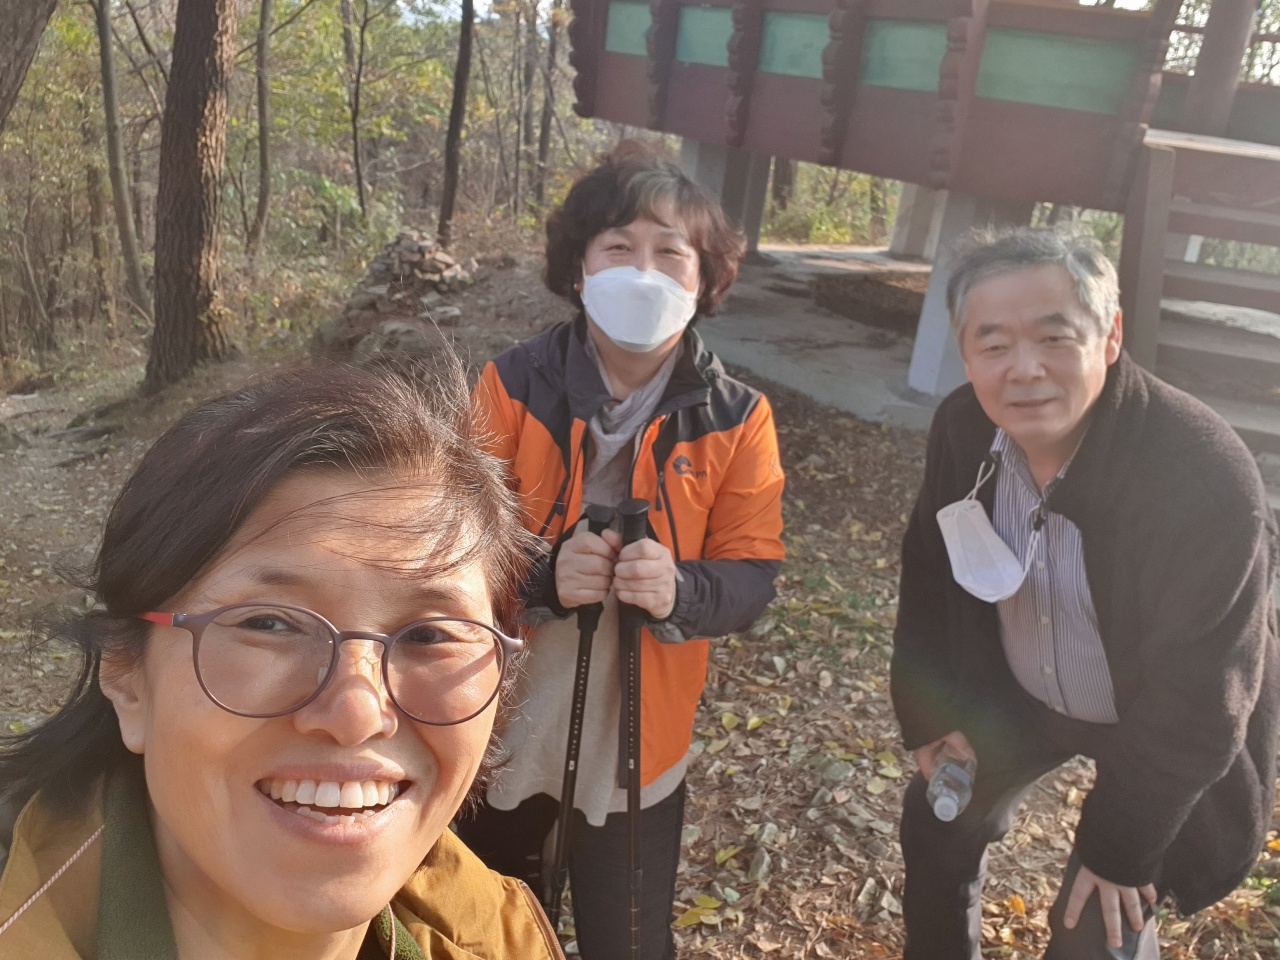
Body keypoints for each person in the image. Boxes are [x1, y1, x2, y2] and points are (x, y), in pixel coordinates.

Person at [0, 361, 565, 959]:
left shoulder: (502, 940)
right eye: (269, 624)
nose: (356, 714)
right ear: (125, 672)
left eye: (429, 635)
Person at [890, 226, 1279, 959]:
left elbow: (1202, 698)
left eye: (1054, 338)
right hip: (1020, 692)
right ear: (965, 352)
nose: (1024, 370)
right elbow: (930, 571)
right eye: (994, 344)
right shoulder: (963, 429)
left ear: (1111, 336)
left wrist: (1120, 846)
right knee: (936, 823)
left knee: (1097, 925)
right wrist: (930, 712)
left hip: (1156, 717)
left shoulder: (1201, 479)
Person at [458, 142, 786, 959]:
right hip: (504, 730)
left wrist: (681, 590)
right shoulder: (511, 385)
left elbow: (753, 575)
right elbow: (452, 549)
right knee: (486, 933)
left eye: (670, 253)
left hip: (642, 747)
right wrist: (542, 576)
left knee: (631, 942)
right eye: (618, 246)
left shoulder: (737, 418)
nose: (643, 272)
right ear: (579, 268)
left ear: (704, 281)